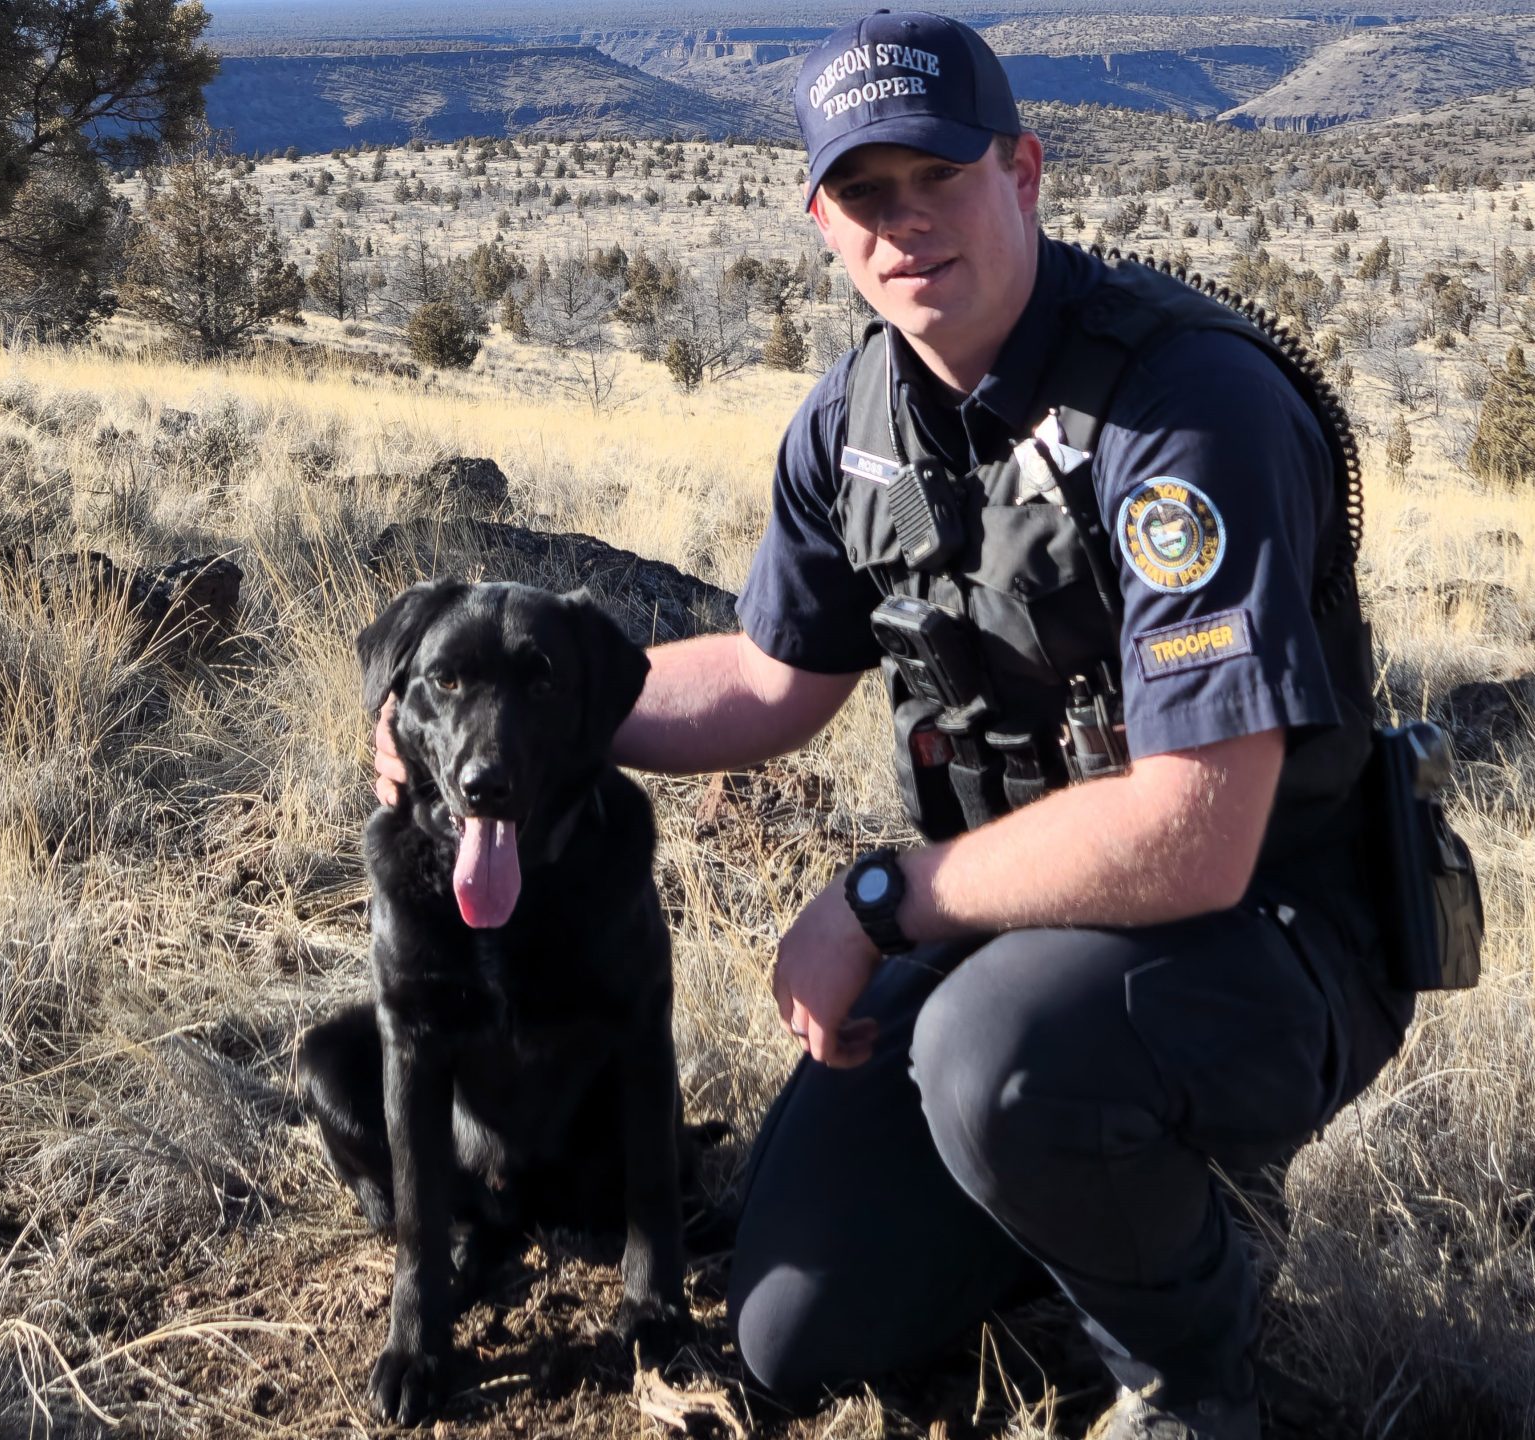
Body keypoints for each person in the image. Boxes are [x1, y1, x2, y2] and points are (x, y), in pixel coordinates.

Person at [376, 11, 1416, 1436]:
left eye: (938, 176)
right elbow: (763, 679)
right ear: (822, 221)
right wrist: (482, 730)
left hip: (1270, 933)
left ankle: (1193, 1354)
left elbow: (1200, 831)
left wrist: (884, 899)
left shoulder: (1183, 409)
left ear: (1026, 172)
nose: (906, 223)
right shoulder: (852, 424)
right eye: (866, 194)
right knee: (795, 1331)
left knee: (995, 1060)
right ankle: (1074, 1202)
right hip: (1016, 923)